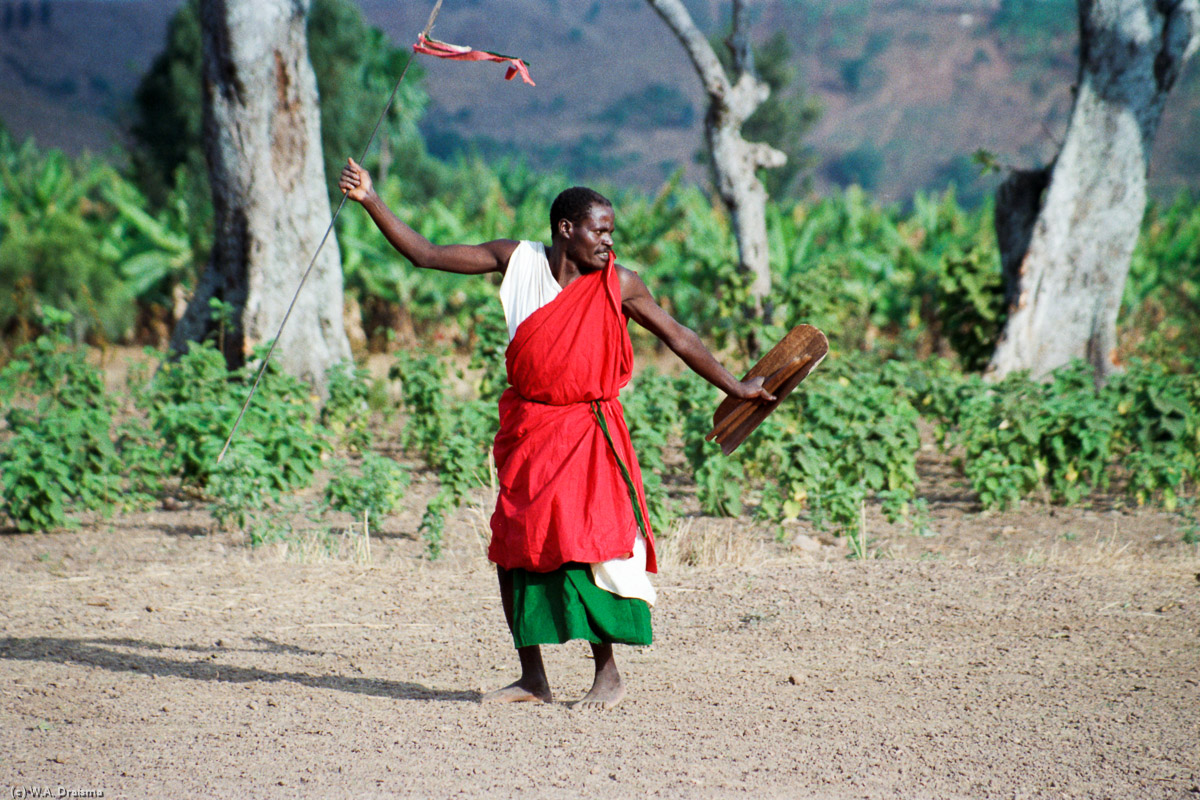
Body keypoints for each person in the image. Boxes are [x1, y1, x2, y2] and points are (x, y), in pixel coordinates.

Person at [339, 158, 774, 710]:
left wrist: (734, 386)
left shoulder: (619, 283)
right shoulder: (514, 260)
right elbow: (425, 254)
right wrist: (372, 199)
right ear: (566, 228)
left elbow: (679, 336)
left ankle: (607, 672)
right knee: (514, 545)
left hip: (589, 432)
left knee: (585, 542)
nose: (608, 241)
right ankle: (532, 677)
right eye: (600, 229)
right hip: (529, 429)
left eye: (611, 231)